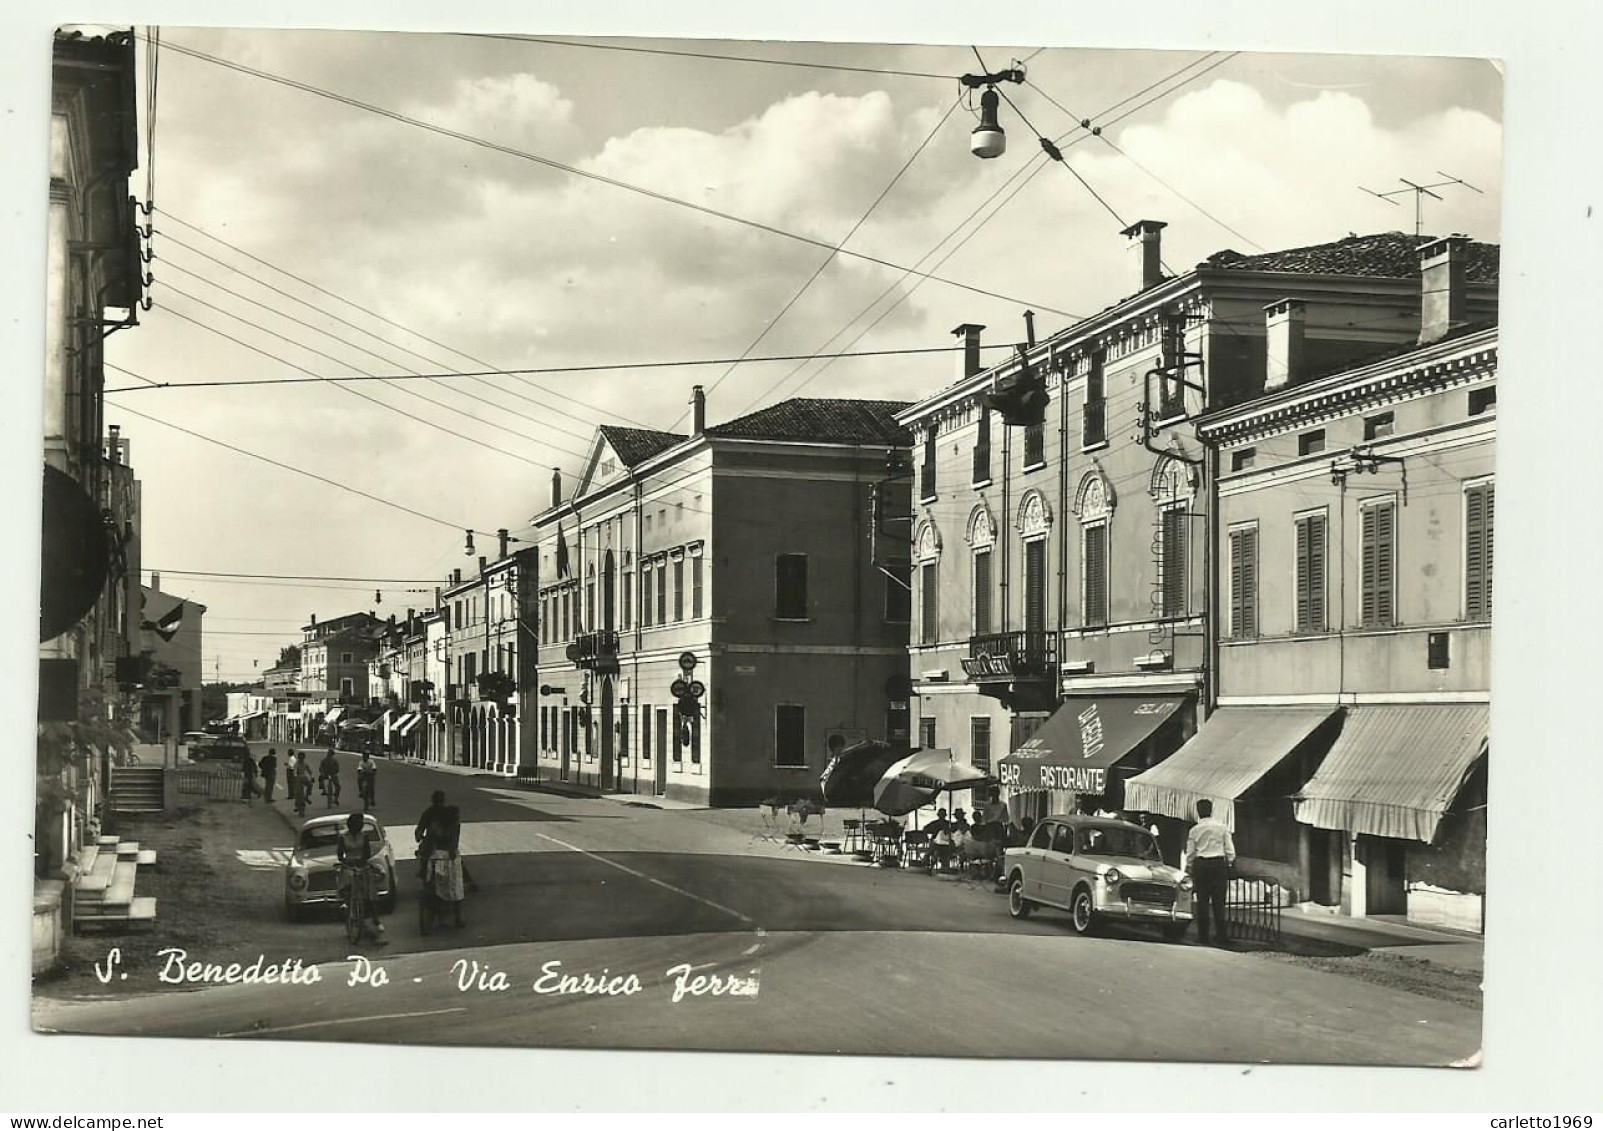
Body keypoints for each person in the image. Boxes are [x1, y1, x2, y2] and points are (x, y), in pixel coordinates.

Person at [1184, 799, 1236, 946]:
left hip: (1202, 865)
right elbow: (1230, 849)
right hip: (1218, 864)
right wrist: (1230, 863)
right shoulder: (1222, 827)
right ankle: (1221, 935)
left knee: (1202, 901)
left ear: (1199, 812)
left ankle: (1203, 936)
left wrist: (1189, 867)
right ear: (1211, 810)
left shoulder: (1194, 830)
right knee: (1219, 902)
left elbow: (1191, 852)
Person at [335, 811, 386, 939]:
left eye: (361, 824)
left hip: (362, 865)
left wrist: (360, 861)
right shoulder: (343, 837)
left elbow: (367, 854)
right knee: (347, 886)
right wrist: (347, 861)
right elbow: (340, 855)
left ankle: (376, 919)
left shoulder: (364, 837)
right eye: (358, 823)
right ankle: (346, 904)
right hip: (348, 866)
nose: (360, 826)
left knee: (371, 894)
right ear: (351, 825)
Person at [420, 805, 467, 928]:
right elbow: (454, 844)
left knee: (434, 885)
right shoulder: (455, 826)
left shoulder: (434, 826)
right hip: (449, 859)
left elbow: (428, 843)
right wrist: (451, 852)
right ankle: (458, 918)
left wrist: (424, 853)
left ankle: (436, 915)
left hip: (436, 857)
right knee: (455, 888)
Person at [925, 807, 954, 873]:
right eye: (941, 814)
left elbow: (952, 833)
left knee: (945, 850)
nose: (942, 816)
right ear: (938, 815)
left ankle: (944, 867)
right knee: (934, 850)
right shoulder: (934, 823)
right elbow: (925, 829)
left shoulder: (948, 824)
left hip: (945, 843)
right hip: (935, 842)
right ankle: (930, 863)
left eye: (943, 814)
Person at [293, 752, 314, 817]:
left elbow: (309, 771)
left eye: (302, 758)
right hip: (298, 778)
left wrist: (312, 777)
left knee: (310, 784)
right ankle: (298, 806)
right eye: (300, 758)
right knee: (299, 793)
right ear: (298, 758)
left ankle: (307, 796)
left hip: (304, 777)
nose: (301, 759)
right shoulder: (296, 764)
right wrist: (295, 776)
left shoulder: (305, 763)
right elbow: (294, 771)